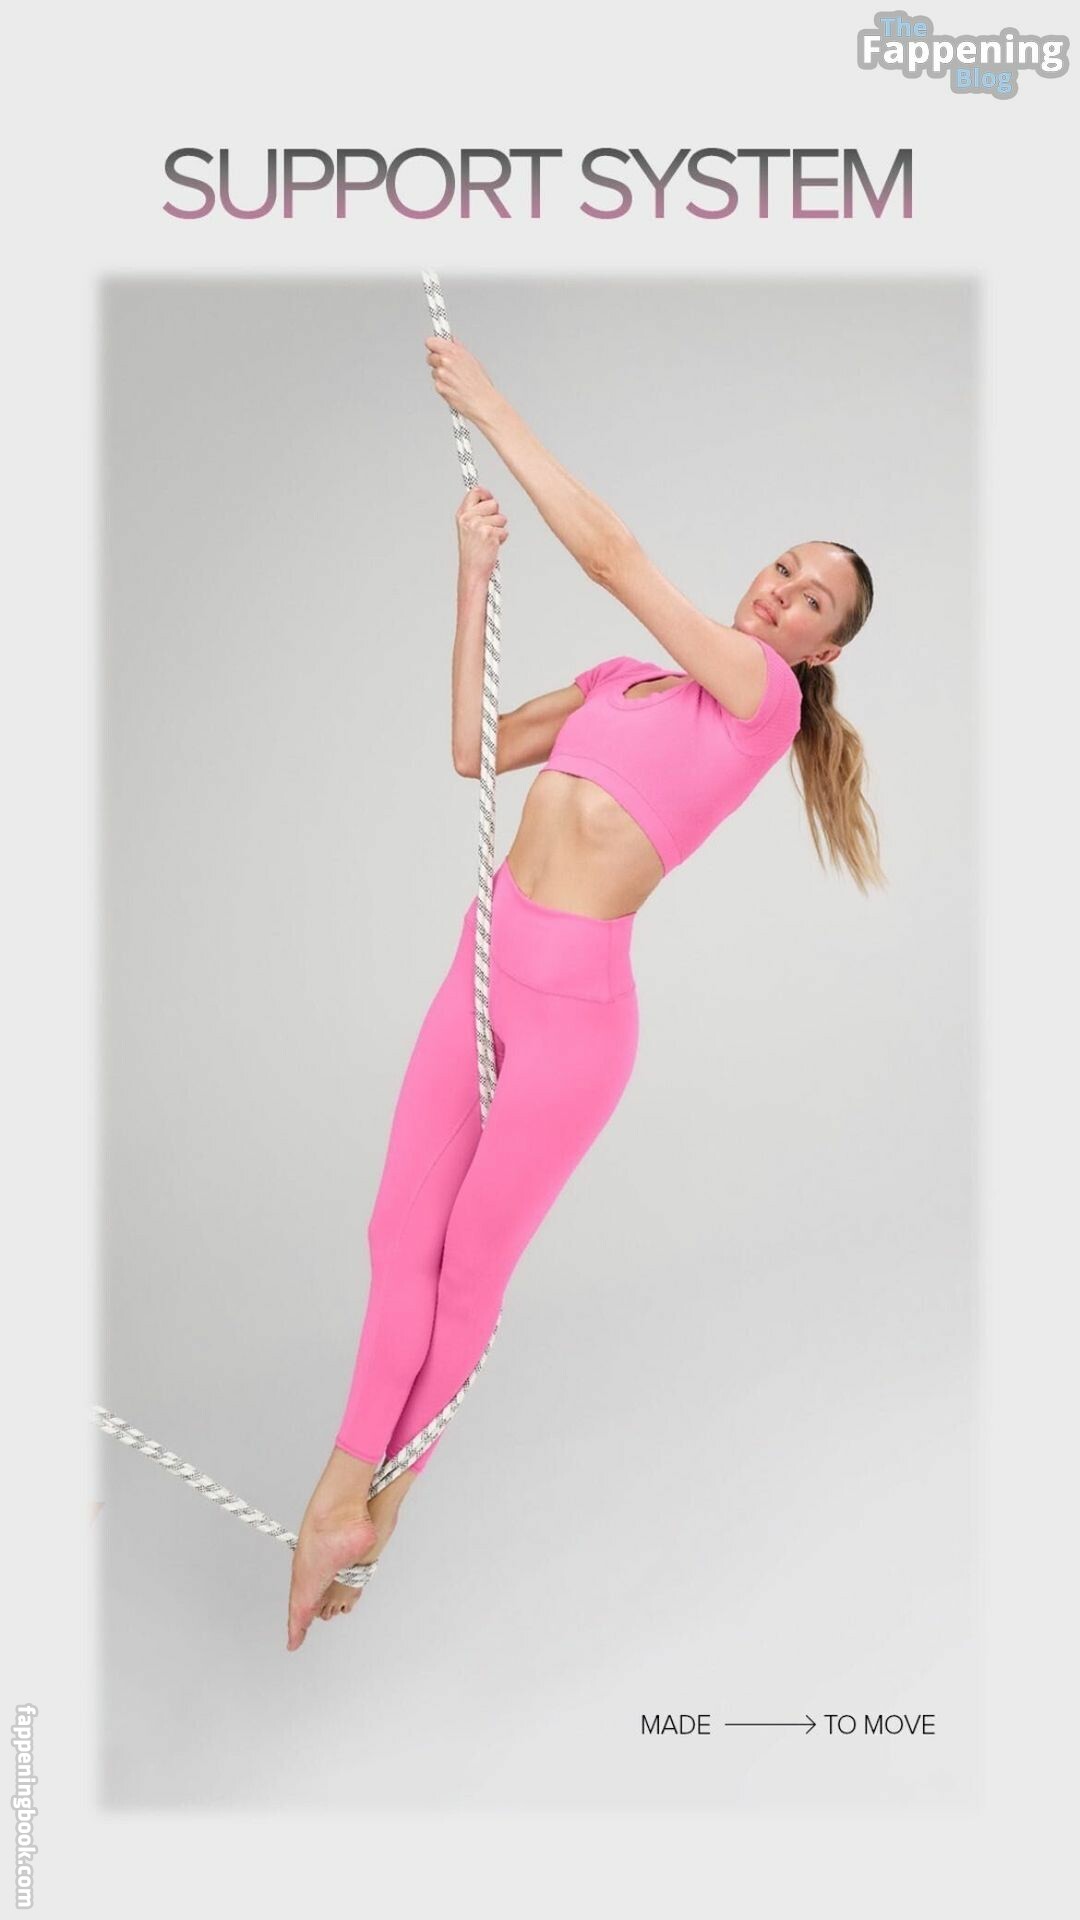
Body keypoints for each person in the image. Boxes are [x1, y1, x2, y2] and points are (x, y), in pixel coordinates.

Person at [286, 336, 884, 1650]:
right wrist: (472, 578)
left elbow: (612, 555)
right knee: (397, 1235)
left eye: (812, 601)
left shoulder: (763, 703)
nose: (782, 594)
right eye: (784, 567)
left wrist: (488, 403)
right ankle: (338, 1494)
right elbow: (472, 752)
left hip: (574, 1021)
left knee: (468, 1272)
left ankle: (383, 1509)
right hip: (483, 957)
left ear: (823, 651)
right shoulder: (622, 681)